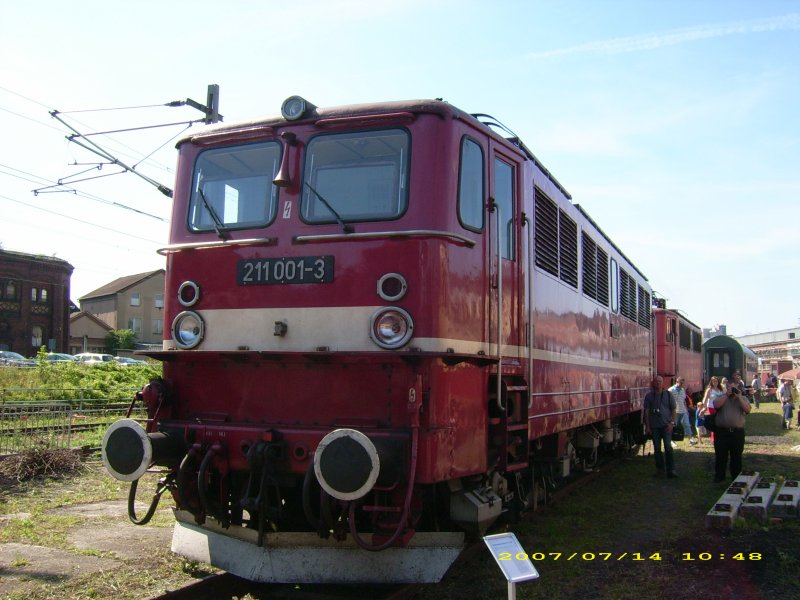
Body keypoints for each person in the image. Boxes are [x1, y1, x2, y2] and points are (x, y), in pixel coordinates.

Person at [712, 379, 752, 482]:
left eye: (734, 388)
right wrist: (726, 395)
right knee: (721, 456)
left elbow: (747, 409)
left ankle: (736, 477)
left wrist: (739, 397)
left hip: (737, 432)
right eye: (730, 388)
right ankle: (719, 477)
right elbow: (716, 405)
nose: (732, 390)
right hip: (722, 432)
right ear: (726, 388)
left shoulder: (742, 399)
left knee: (736, 456)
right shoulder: (721, 397)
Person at [643, 376, 678, 479]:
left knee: (668, 447)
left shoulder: (668, 394)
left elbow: (673, 409)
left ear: (663, 383)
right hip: (654, 427)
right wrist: (647, 426)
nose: (658, 383)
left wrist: (672, 423)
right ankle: (660, 470)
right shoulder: (649, 396)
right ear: (653, 383)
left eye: (660, 381)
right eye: (656, 381)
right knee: (657, 449)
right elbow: (646, 412)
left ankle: (671, 470)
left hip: (666, 426)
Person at [668, 377, 696, 445]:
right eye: (681, 382)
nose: (682, 384)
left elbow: (684, 401)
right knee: (674, 426)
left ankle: (691, 440)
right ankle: (671, 441)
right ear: (677, 382)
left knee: (687, 425)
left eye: (683, 383)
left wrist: (686, 410)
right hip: (675, 412)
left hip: (683, 411)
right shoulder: (671, 390)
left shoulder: (683, 390)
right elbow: (668, 401)